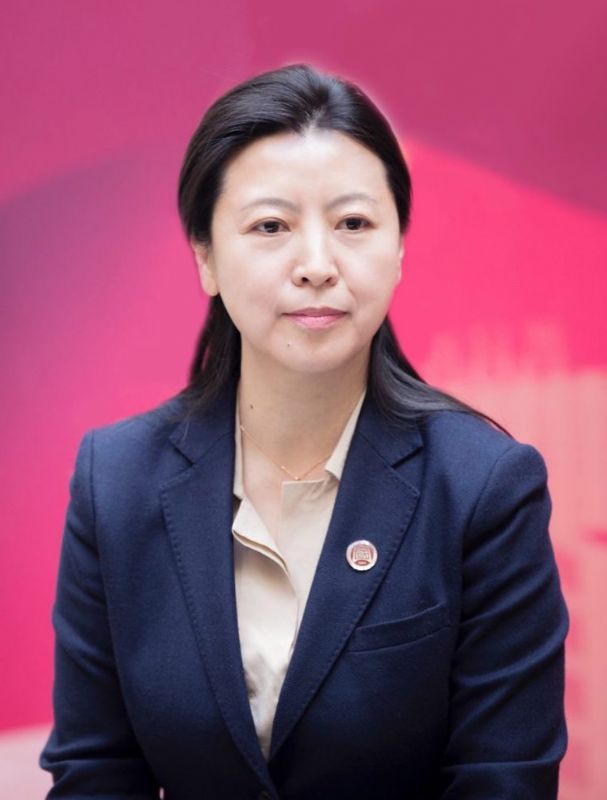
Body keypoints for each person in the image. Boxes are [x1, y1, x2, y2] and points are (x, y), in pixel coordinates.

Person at [39, 63, 569, 799]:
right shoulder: (117, 481)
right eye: (271, 226)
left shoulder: (484, 488)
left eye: (353, 224)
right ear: (204, 255)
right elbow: (96, 771)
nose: (317, 265)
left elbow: (502, 779)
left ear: (399, 249)